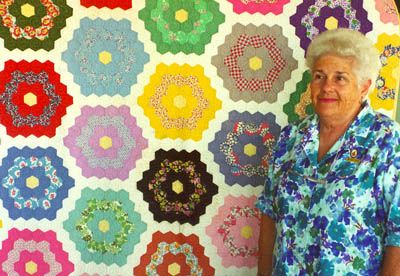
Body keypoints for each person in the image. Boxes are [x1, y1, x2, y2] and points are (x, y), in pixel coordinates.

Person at [256, 28, 400, 275]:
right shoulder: (290, 138)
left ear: (364, 87)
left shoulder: (387, 140)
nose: (326, 87)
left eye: (340, 78)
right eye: (319, 76)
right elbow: (270, 215)